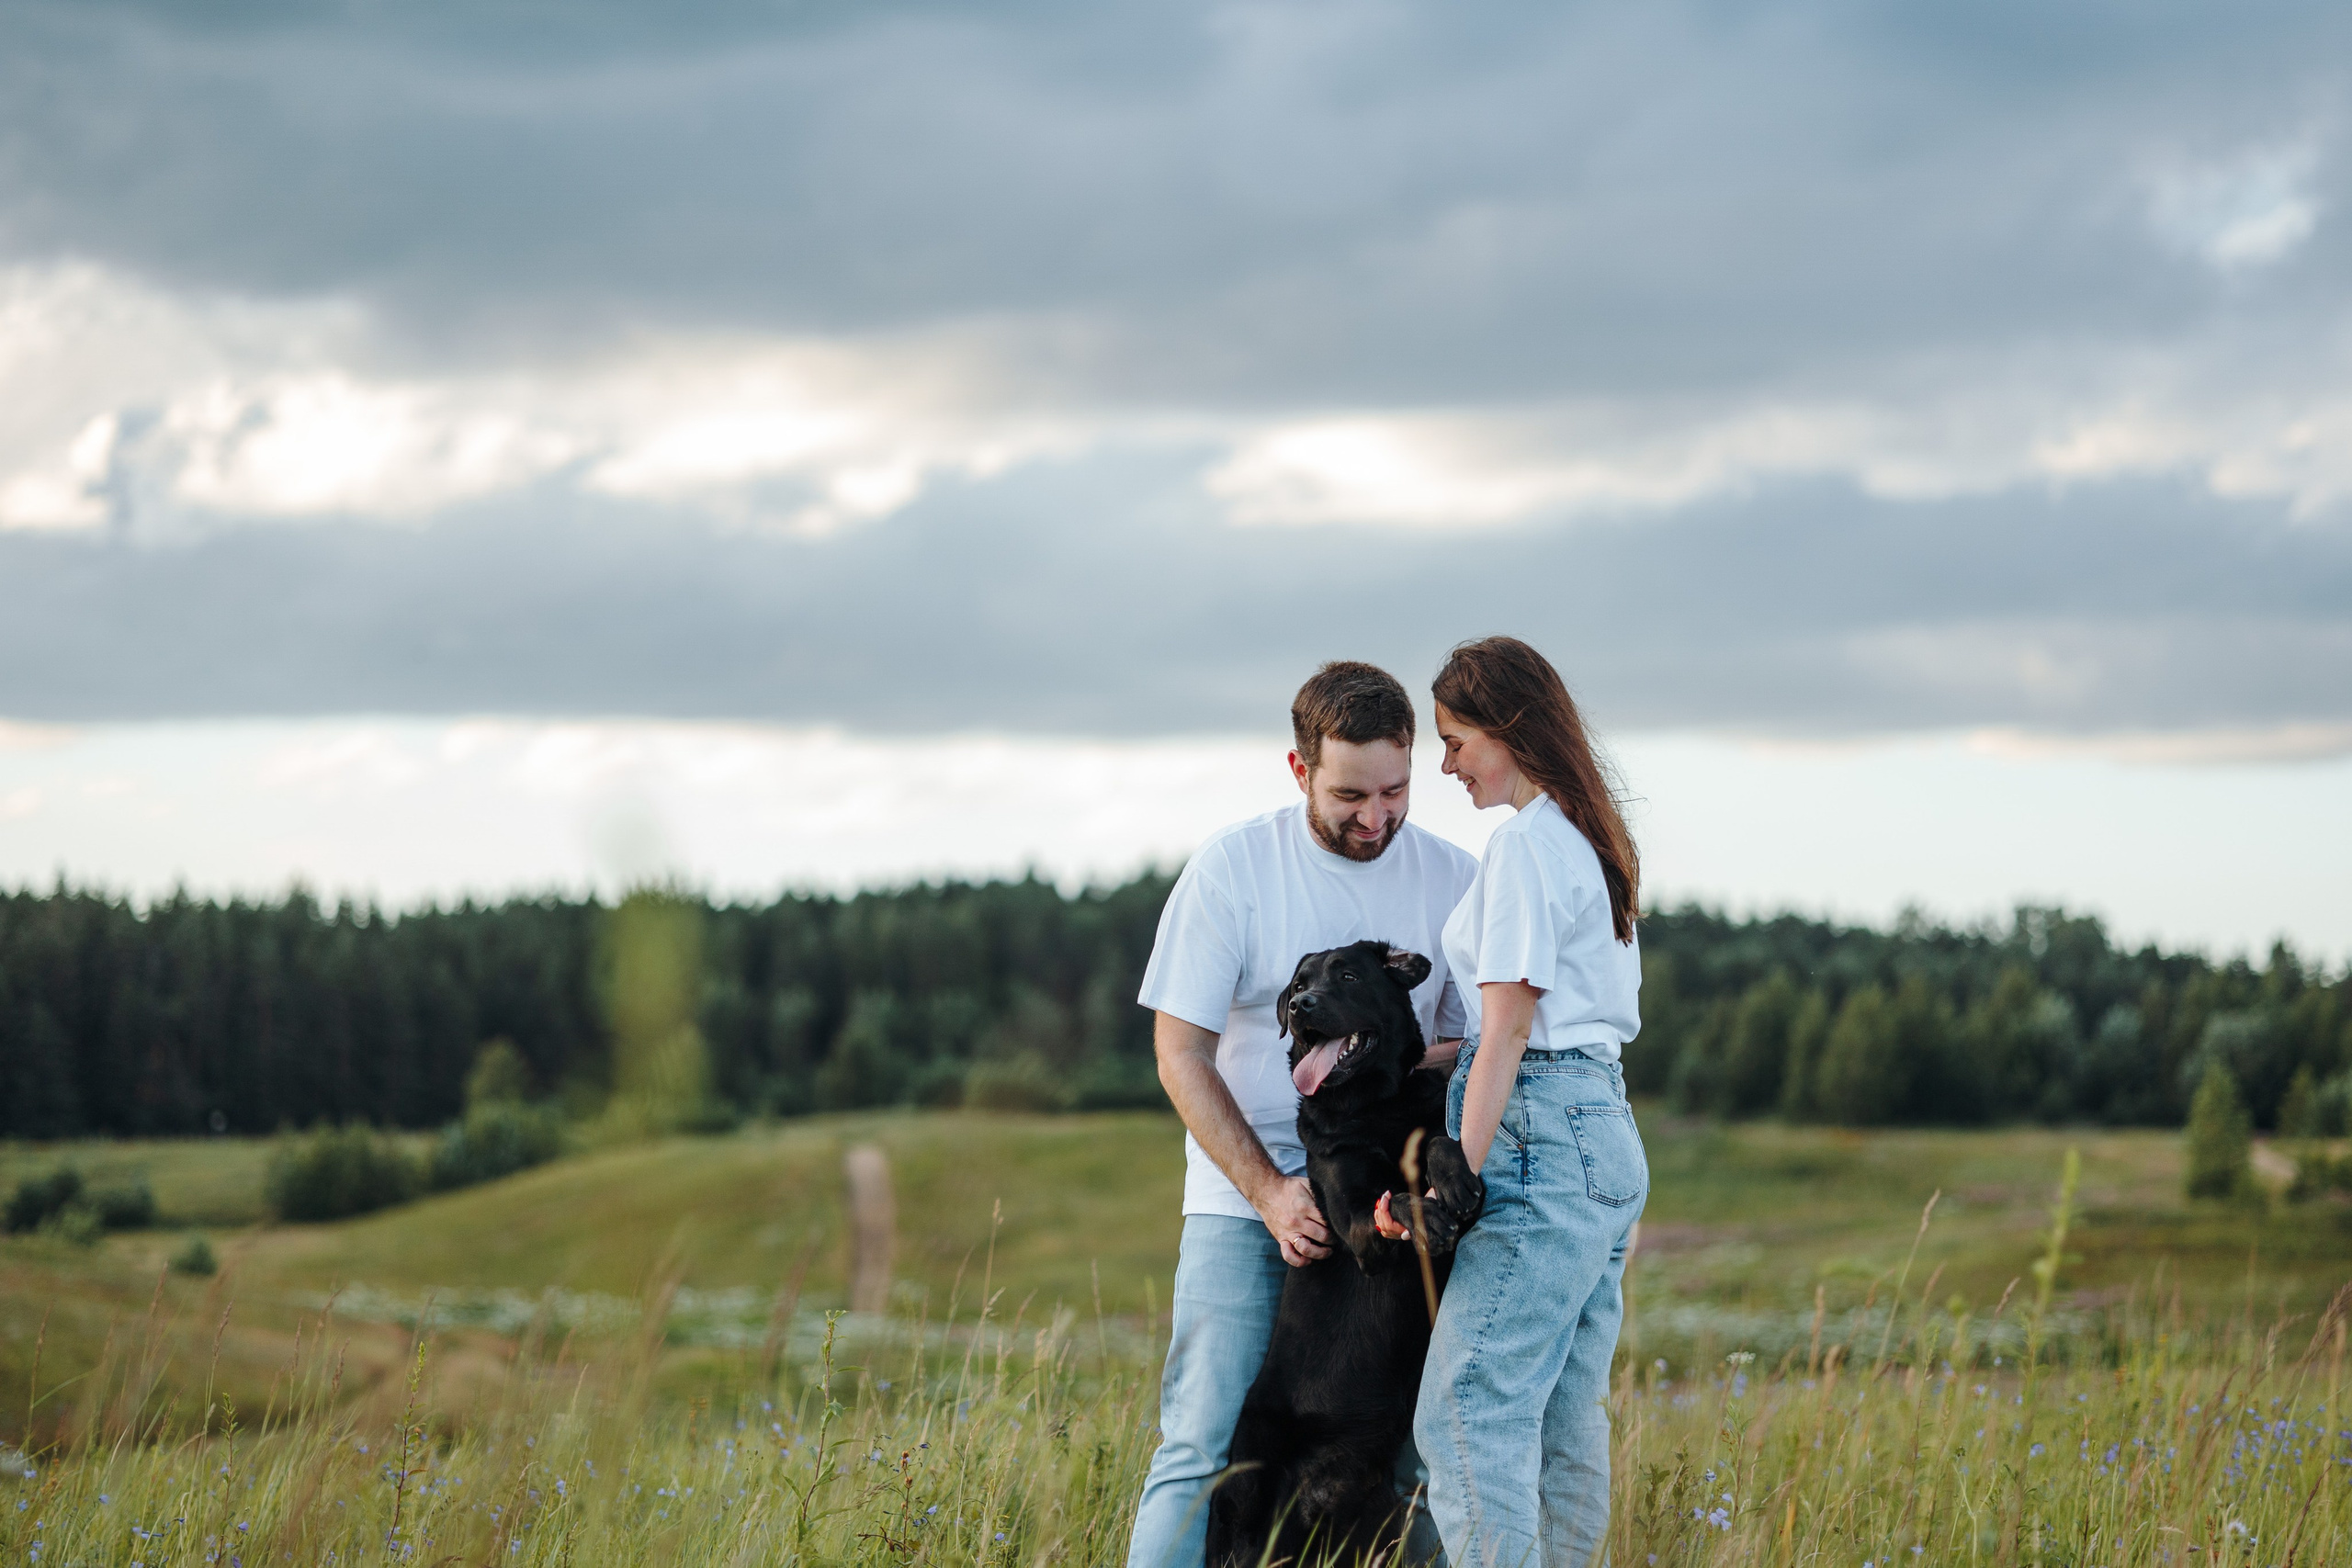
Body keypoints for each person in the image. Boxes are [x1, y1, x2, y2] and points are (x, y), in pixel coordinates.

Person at [1125, 660, 1478, 1568]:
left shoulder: (1454, 879)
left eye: (1395, 791)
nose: (1376, 818)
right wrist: (1271, 1192)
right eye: (1349, 796)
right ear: (1299, 770)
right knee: (1201, 1449)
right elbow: (1179, 1052)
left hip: (1391, 1215)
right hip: (1245, 1205)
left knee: (1407, 1464)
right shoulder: (1234, 869)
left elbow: (1462, 1049)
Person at [1374, 635, 1647, 1568]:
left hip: (1543, 1134)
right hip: (1602, 1126)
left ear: (1509, 727)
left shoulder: (1526, 845)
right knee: (1565, 1416)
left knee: (1465, 1413)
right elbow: (1544, 1023)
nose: (1446, 764)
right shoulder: (1588, 838)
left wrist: (1454, 1173)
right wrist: (1418, 1060)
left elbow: (1510, 1030)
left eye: (1455, 741)